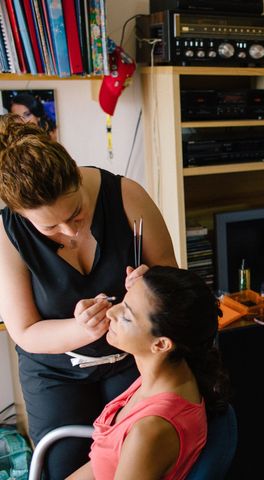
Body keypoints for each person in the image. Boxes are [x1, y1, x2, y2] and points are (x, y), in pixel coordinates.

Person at [0, 114, 178, 479]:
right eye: (50, 227)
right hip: (55, 371)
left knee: (142, 460)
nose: (69, 230)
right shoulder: (7, 235)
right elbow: (25, 331)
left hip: (135, 356)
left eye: (76, 213)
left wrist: (152, 283)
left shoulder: (126, 195)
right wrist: (83, 329)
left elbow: (172, 280)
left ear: (77, 176)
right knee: (62, 468)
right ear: (20, 215)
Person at [68, 266, 229, 479]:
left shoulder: (150, 431)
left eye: (127, 316)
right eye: (123, 302)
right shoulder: (165, 375)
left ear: (161, 345)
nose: (110, 312)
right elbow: (102, 464)